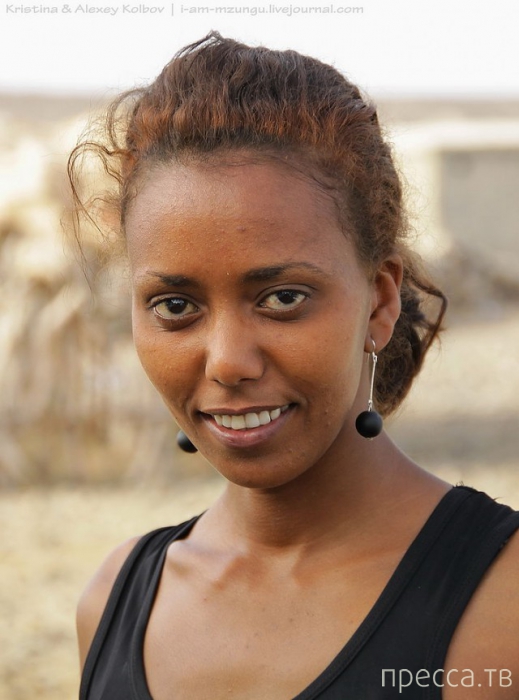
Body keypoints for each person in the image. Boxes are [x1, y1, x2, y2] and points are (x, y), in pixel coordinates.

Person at [70, 32, 519, 699]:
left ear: (379, 302)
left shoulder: (500, 608)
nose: (227, 362)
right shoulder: (113, 602)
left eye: (282, 298)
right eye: (175, 306)